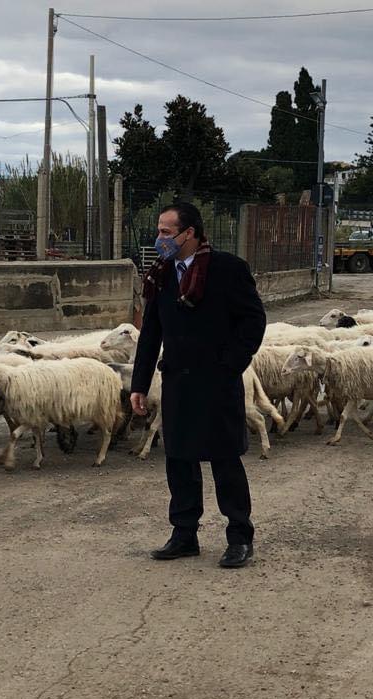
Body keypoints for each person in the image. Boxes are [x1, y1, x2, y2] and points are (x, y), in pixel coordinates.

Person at [130, 202, 267, 568]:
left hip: (217, 382)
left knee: (225, 462)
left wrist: (231, 364)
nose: (159, 239)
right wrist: (139, 384)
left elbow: (253, 321)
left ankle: (239, 536)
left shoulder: (227, 270)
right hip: (177, 382)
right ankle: (184, 533)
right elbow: (151, 333)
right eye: (158, 231)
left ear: (189, 233)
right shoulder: (161, 275)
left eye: (165, 232)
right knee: (179, 461)